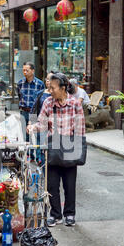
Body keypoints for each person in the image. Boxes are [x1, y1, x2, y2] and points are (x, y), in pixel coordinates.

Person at [27, 73, 85, 227]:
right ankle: (55, 214)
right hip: (52, 146)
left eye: (53, 88)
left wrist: (78, 148)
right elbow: (42, 124)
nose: (50, 90)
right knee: (52, 184)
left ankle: (70, 214)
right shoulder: (48, 103)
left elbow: (80, 129)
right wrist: (33, 127)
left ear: (63, 88)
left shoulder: (75, 104)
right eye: (49, 87)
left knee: (69, 183)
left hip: (70, 146)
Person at [29, 71, 56, 164]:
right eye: (47, 79)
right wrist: (31, 122)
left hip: (54, 124)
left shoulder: (57, 94)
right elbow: (34, 108)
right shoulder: (40, 93)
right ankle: (40, 159)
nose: (48, 81)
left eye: (51, 79)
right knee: (40, 141)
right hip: (41, 122)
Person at [16, 62, 45, 137]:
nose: (25, 72)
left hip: (34, 113)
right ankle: (27, 149)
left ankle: (35, 148)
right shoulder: (20, 83)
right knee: (24, 133)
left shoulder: (40, 84)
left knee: (35, 133)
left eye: (27, 70)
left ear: (33, 71)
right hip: (23, 112)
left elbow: (41, 99)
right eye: (23, 70)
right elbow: (19, 96)